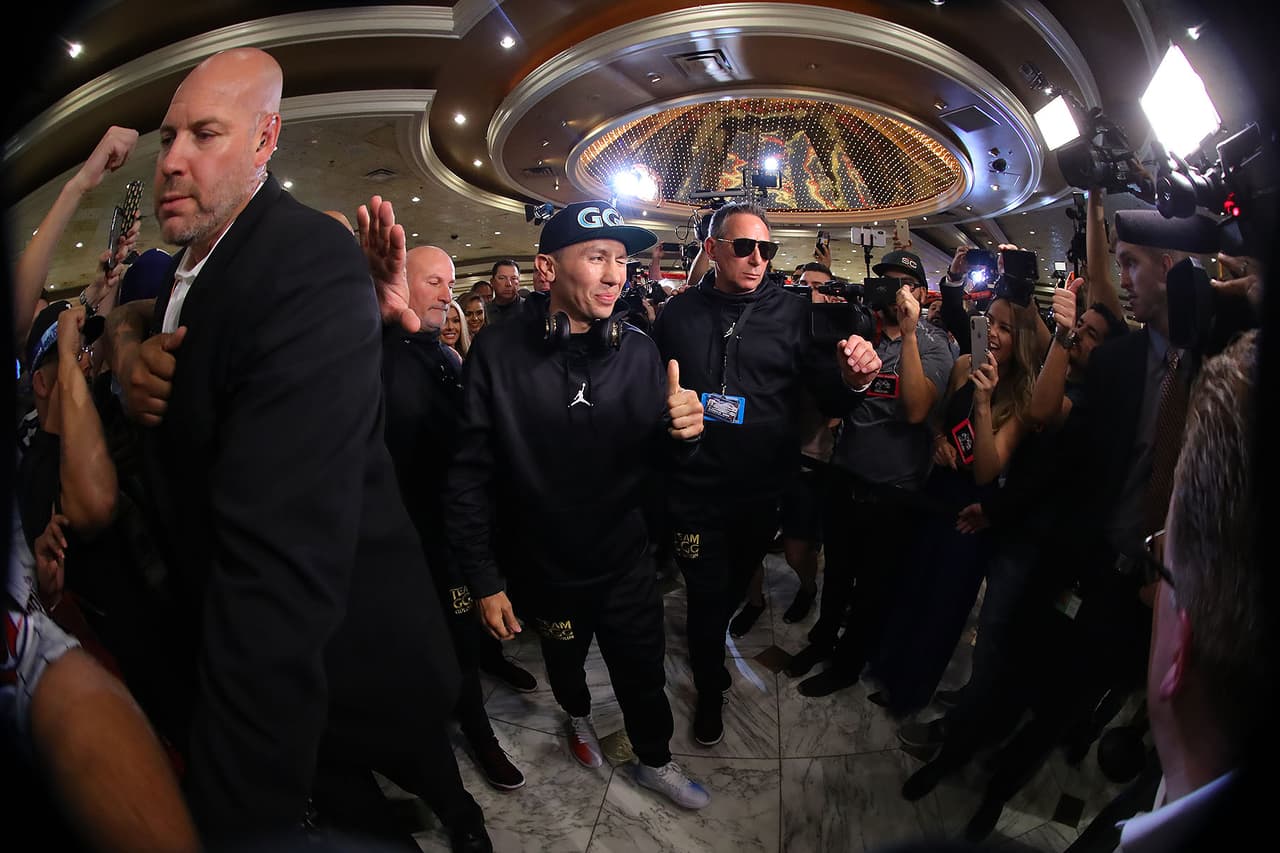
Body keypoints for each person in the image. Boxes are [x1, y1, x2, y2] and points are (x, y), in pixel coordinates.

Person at [105, 48, 487, 849]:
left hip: (336, 647)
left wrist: (243, 808)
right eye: (167, 135)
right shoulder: (194, 261)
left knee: (420, 784)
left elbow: (276, 565)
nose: (171, 159)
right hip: (287, 669)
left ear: (265, 139)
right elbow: (154, 311)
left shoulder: (305, 255)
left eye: (204, 134)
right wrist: (121, 338)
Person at [447, 200, 713, 810]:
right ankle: (578, 719)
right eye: (597, 257)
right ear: (547, 268)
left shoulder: (641, 351)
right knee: (565, 667)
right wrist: (485, 580)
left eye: (621, 259)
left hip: (625, 561)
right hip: (547, 568)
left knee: (643, 673)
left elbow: (664, 468)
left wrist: (686, 436)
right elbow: (467, 477)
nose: (616, 274)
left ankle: (654, 758)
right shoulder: (497, 353)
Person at [651, 201, 881, 747]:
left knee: (731, 587)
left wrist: (854, 380)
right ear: (712, 249)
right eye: (744, 247)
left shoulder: (794, 313)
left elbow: (830, 393)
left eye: (767, 250)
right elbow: (653, 394)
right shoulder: (679, 316)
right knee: (706, 597)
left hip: (761, 491)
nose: (758, 259)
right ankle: (711, 687)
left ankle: (712, 649)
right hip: (694, 488)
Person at [787, 251, 955, 694]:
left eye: (902, 282)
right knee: (837, 574)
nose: (891, 290)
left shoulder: (936, 343)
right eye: (885, 280)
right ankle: (823, 640)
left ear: (919, 292)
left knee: (872, 591)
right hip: (845, 477)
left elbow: (918, 409)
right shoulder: (864, 333)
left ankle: (848, 664)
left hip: (894, 493)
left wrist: (912, 332)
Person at [483, 259, 525, 327]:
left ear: (519, 282)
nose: (508, 284)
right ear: (492, 282)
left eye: (514, 278)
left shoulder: (529, 308)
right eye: (502, 278)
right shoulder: (484, 311)